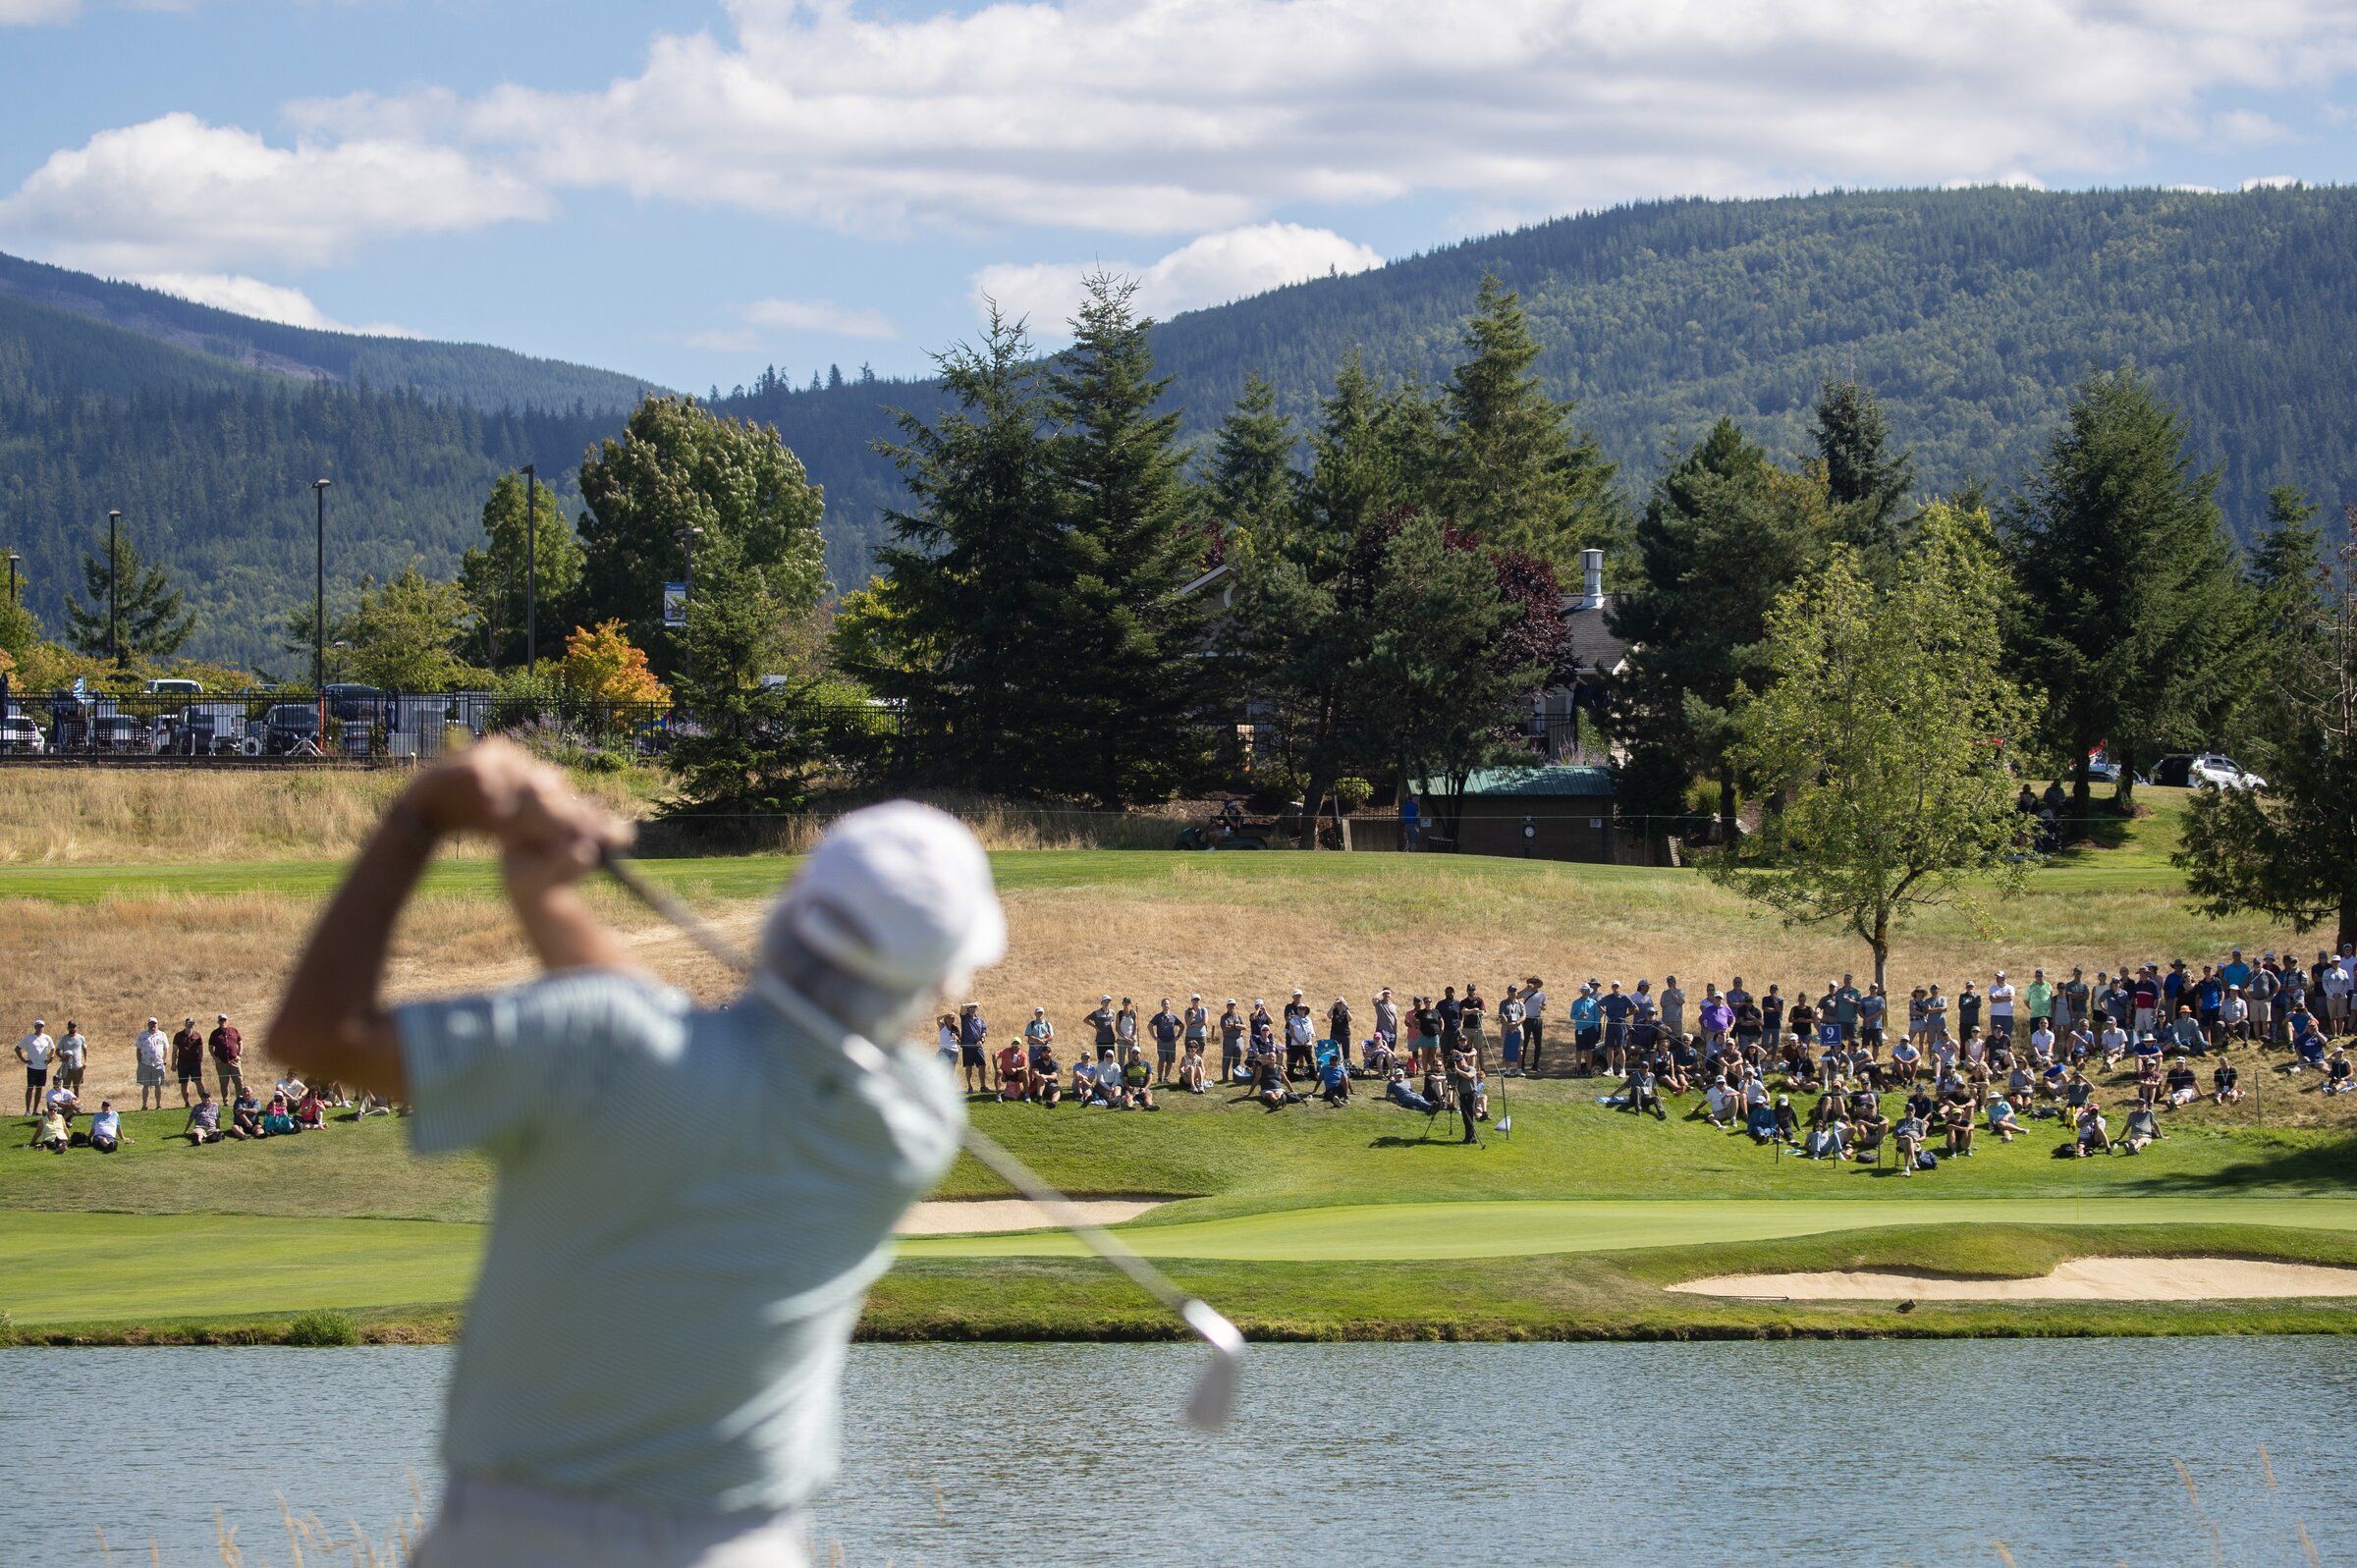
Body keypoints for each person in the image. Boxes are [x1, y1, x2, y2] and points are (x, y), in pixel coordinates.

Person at [264, 739, 1003, 1566]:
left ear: (792, 905)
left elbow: (316, 1037)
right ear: (941, 986)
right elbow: (656, 1039)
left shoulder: (601, 1046)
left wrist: (423, 814)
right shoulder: (915, 1118)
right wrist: (548, 904)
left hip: (514, 1540)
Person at [1447, 1041, 1481, 1143]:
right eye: (1458, 1062)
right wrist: (1450, 1073)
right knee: (1466, 1118)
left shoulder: (1471, 1068)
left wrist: (1457, 1070)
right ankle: (1471, 1138)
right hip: (1462, 1096)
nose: (1459, 1063)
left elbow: (1469, 1076)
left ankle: (1469, 1138)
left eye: (1461, 1061)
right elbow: (1453, 1085)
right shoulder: (1457, 1072)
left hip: (1470, 1095)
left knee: (1469, 1117)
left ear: (1465, 1061)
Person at [136, 1017, 169, 1110]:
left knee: (158, 1085)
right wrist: (139, 1061)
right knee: (145, 1085)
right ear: (148, 1024)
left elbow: (166, 1048)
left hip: (158, 1064)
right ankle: (144, 1105)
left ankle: (158, 1105)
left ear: (157, 1024)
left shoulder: (162, 1035)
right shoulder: (142, 1035)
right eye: (151, 1023)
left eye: (154, 1023)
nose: (153, 1025)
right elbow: (138, 1049)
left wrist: (164, 1059)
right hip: (145, 1063)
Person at [172, 1016, 206, 1106]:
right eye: (189, 1023)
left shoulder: (197, 1035)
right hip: (182, 1063)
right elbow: (175, 1050)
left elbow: (201, 1049)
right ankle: (187, 1102)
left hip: (195, 1063)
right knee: (184, 1083)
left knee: (198, 1081)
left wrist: (200, 1060)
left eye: (192, 1023)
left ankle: (204, 1100)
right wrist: (173, 1064)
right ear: (185, 1024)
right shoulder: (178, 1035)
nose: (190, 1025)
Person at [209, 1013, 245, 1099]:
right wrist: (215, 1058)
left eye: (224, 1020)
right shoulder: (214, 1033)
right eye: (221, 1020)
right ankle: (226, 1101)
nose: (223, 1022)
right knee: (224, 1083)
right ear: (218, 1022)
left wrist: (239, 1055)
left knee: (239, 1081)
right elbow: (210, 1047)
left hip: (234, 1061)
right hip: (222, 1062)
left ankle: (240, 1100)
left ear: (227, 1021)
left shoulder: (234, 1031)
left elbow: (240, 1042)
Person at [1149, 1000, 1182, 1086]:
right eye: (1164, 1004)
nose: (1166, 1005)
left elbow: (1182, 1026)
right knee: (1161, 1059)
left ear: (1170, 1005)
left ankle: (1166, 1078)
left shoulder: (1173, 1016)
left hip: (1171, 1042)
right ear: (1161, 1005)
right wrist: (1154, 1037)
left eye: (1167, 1004)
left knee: (1170, 1061)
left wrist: (1177, 1037)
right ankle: (1159, 1078)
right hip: (1161, 1042)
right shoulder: (1158, 1016)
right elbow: (1150, 1026)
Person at [958, 1003, 989, 1095]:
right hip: (967, 1046)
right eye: (970, 1008)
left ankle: (983, 1086)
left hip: (978, 1046)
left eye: (974, 1008)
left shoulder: (980, 1020)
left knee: (982, 1065)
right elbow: (962, 1006)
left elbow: (984, 1031)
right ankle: (970, 1086)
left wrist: (982, 1040)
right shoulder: (965, 1018)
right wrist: (975, 1003)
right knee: (969, 1066)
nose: (972, 1009)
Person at [54, 1020, 87, 1096]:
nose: (72, 1028)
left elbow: (84, 1049)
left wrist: (85, 1061)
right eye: (70, 1027)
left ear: (76, 1027)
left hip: (78, 1067)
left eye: (73, 1027)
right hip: (67, 1067)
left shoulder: (81, 1038)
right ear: (68, 1028)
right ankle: (65, 1104)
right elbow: (57, 1051)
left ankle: (76, 1104)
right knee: (65, 1088)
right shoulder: (64, 1039)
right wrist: (62, 1057)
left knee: (76, 1087)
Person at [1522, 977, 1548, 1073]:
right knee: (1524, 1043)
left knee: (1538, 1043)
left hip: (1537, 1019)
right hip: (1527, 1019)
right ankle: (1522, 1064)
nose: (1533, 983)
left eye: (1535, 982)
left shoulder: (1542, 995)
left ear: (1538, 984)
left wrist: (1543, 1007)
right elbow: (1516, 996)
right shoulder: (1526, 993)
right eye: (1531, 982)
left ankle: (1535, 1065)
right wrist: (1526, 988)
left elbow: (1544, 1006)